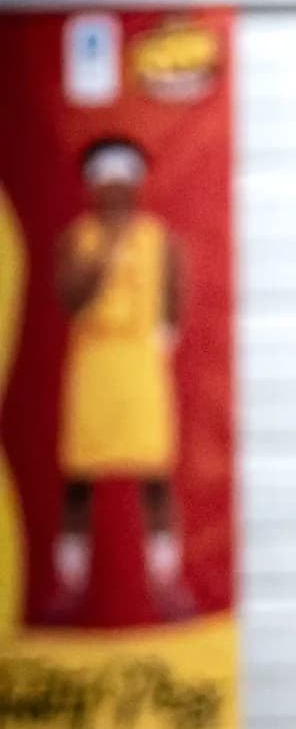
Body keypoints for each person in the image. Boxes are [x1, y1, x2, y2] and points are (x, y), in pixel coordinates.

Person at [49, 136, 191, 623]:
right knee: (79, 481)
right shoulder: (79, 240)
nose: (116, 194)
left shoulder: (159, 238)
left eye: (124, 184)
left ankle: (167, 581)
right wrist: (106, 251)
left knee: (155, 477)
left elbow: (175, 296)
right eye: (106, 185)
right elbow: (70, 298)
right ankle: (69, 584)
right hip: (93, 367)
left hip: (140, 368)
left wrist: (162, 340)